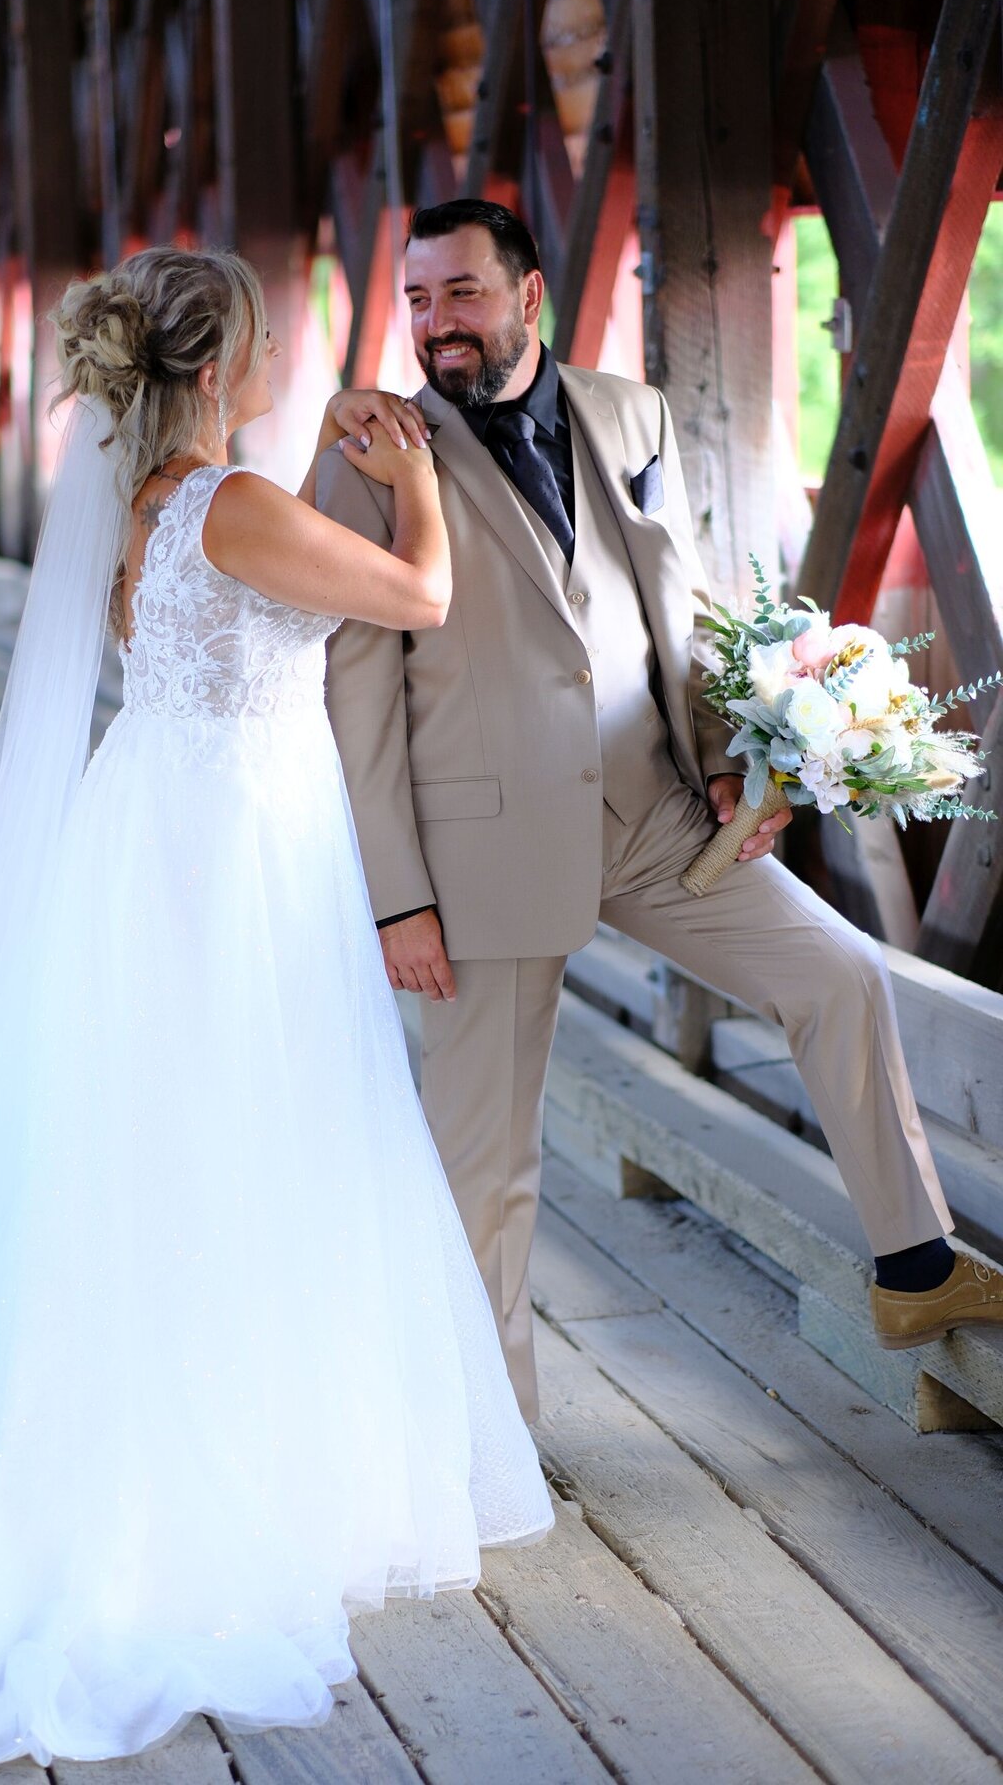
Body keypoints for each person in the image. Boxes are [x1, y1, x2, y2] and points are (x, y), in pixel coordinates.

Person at [0, 245, 551, 1773]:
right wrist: (412, 474)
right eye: (267, 343)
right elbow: (417, 596)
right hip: (237, 850)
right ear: (215, 373)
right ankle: (219, 1475)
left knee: (161, 1144)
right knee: (252, 1134)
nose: (283, 360)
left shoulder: (145, 512)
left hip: (160, 824)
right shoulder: (232, 503)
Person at [318, 198, 1003, 1425]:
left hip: (655, 818)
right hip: (480, 856)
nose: (436, 326)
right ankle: (483, 1449)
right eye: (418, 300)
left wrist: (725, 762)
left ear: (529, 297)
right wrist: (398, 898)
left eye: (462, 294)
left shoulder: (629, 413)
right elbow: (355, 690)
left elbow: (674, 610)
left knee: (839, 975)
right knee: (486, 1174)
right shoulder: (374, 450)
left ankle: (913, 1264)